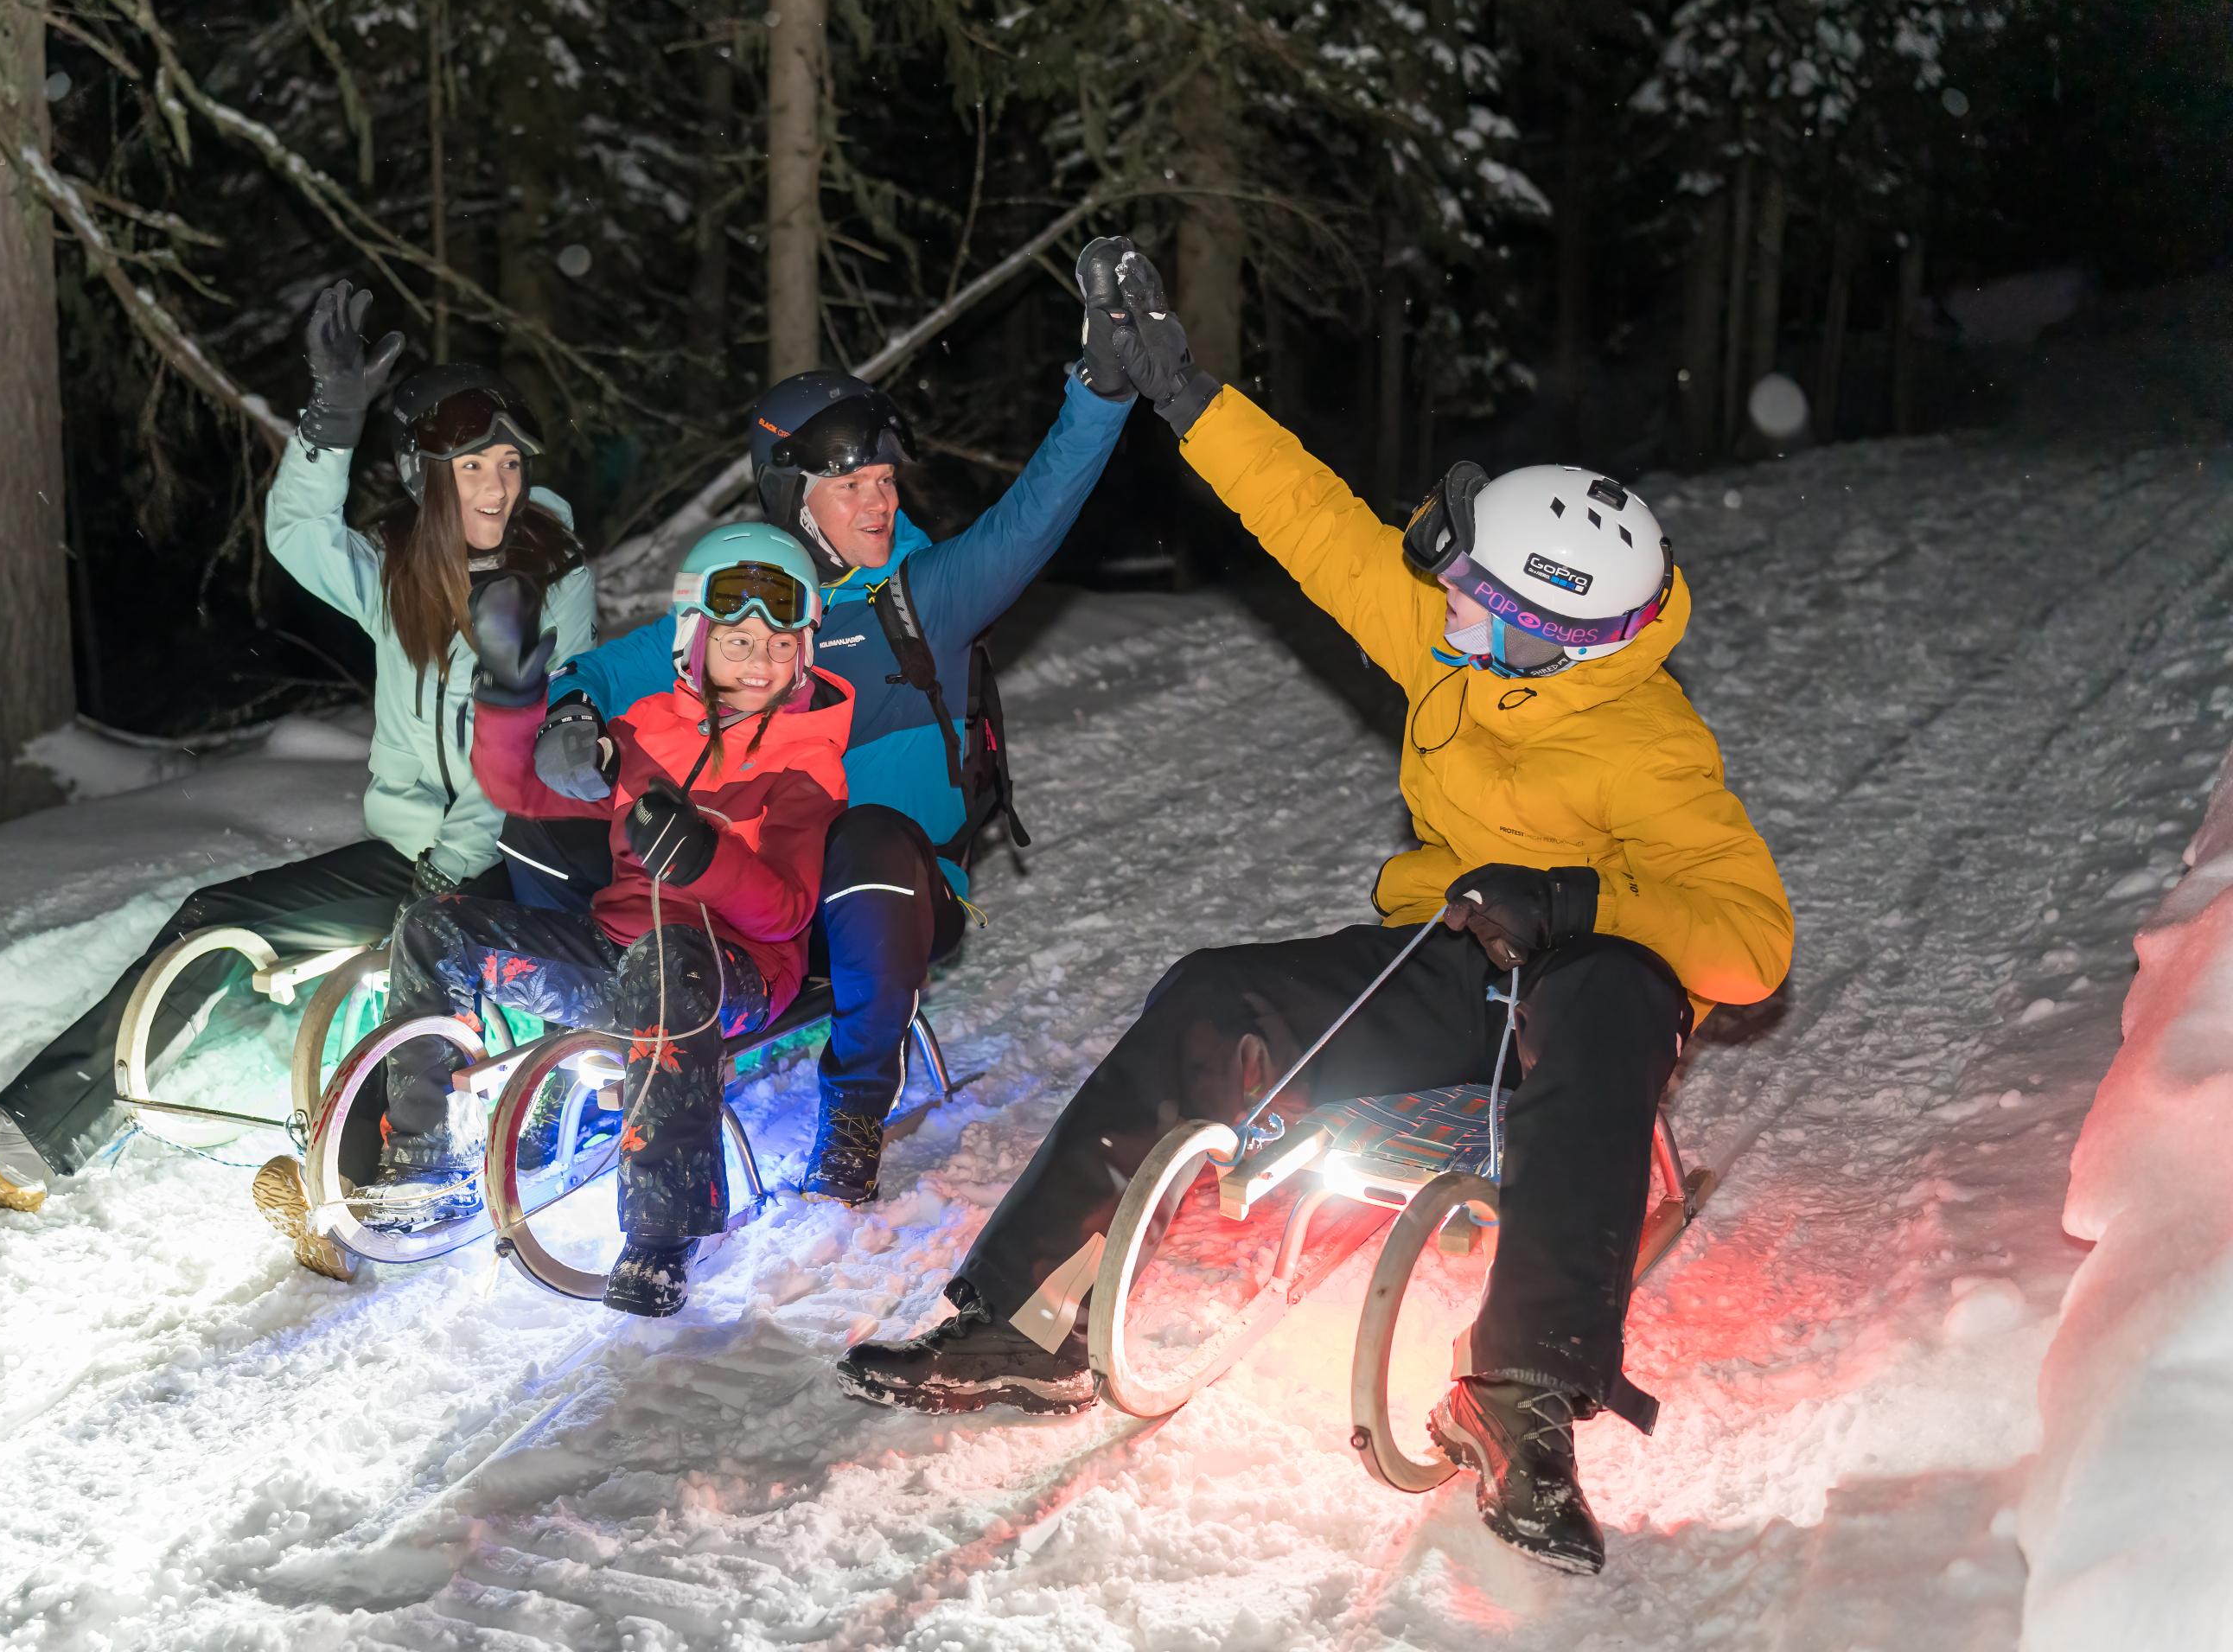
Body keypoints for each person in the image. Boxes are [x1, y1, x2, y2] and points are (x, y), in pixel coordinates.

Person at [836, 252, 1793, 1578]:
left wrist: (1576, 900)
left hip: (1585, 1001)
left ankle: (1519, 1398)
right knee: (1212, 993)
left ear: (1543, 626)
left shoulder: (1649, 740)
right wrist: (1184, 396)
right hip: (1457, 958)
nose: (1438, 599)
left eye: (1470, 592)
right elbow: (1317, 520)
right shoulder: (1451, 641)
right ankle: (1027, 1320)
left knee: (1612, 991)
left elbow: (1754, 945)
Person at [0, 282, 597, 1226]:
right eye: (472, 468)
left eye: (506, 463)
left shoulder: (555, 574)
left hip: (516, 862)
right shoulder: (399, 573)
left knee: (412, 970)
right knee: (216, 919)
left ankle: (377, 1189)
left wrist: (453, 869)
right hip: (413, 851)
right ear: (427, 478)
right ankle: (36, 1135)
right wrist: (332, 416)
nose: (498, 487)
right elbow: (298, 534)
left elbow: (536, 750)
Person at [505, 239, 1140, 1207]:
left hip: (883, 896)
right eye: (854, 486)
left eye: (887, 480)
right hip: (744, 890)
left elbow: (1037, 511)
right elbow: (603, 666)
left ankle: (852, 1109)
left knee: (866, 836)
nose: (882, 500)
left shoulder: (931, 595)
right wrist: (571, 715)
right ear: (794, 501)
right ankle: (583, 1043)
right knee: (546, 825)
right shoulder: (744, 608)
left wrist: (1099, 387)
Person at [327, 523, 850, 1315]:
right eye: (739, 640)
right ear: (695, 637)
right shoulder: (651, 729)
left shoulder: (806, 761)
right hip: (620, 952)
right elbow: (521, 792)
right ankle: (429, 1161)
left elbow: (784, 910)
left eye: (781, 646)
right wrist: (510, 697)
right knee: (437, 926)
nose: (760, 663)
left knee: (666, 963)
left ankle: (662, 1235)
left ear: (806, 652)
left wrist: (703, 858)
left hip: (731, 971)